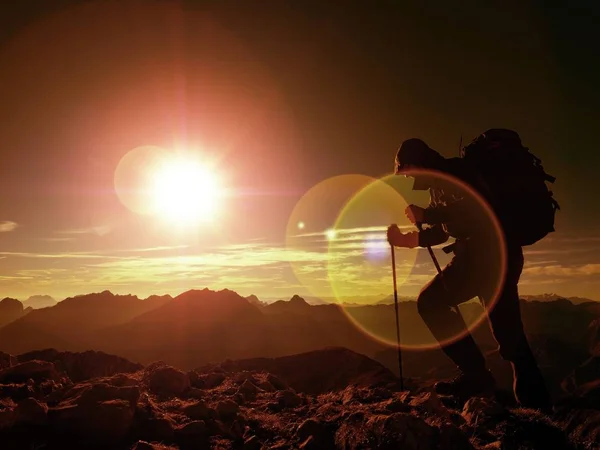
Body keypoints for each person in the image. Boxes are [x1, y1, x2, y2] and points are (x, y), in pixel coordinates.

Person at [387, 137, 552, 411]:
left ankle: (477, 377)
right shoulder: (440, 186)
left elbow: (477, 210)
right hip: (494, 258)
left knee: (432, 303)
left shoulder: (458, 173)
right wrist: (407, 239)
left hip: (486, 258)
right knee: (510, 338)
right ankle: (539, 409)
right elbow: (445, 231)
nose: (407, 178)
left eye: (406, 171)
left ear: (417, 163)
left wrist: (426, 213)